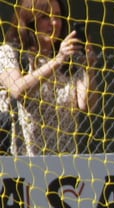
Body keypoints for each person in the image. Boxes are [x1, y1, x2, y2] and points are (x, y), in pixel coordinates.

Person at [0, 0, 97, 156]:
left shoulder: (69, 62)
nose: (54, 23)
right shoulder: (10, 54)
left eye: (58, 17)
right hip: (20, 164)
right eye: (45, 17)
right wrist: (57, 61)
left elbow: (87, 104)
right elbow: (18, 90)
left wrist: (89, 68)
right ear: (30, 20)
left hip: (64, 162)